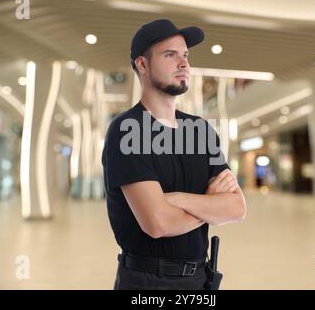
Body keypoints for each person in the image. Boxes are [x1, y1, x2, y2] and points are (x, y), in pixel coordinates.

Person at [102, 19, 247, 290]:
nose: (184, 64)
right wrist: (210, 204)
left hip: (200, 278)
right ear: (142, 64)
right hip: (147, 282)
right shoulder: (127, 131)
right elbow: (157, 223)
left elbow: (237, 209)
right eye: (170, 55)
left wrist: (177, 200)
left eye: (186, 55)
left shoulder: (200, 130)